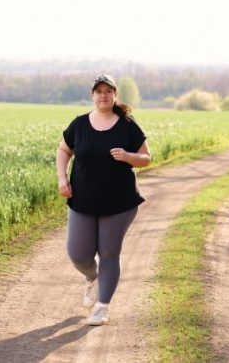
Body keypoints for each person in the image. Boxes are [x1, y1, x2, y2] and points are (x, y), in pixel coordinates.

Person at [55, 73, 151, 326]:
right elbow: (64, 150)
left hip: (119, 204)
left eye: (108, 91)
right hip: (82, 201)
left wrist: (128, 156)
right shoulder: (79, 124)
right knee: (78, 254)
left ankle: (102, 306)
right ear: (92, 95)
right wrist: (62, 179)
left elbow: (146, 157)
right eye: (99, 91)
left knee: (109, 253)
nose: (104, 95)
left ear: (115, 95)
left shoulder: (127, 124)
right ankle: (93, 277)